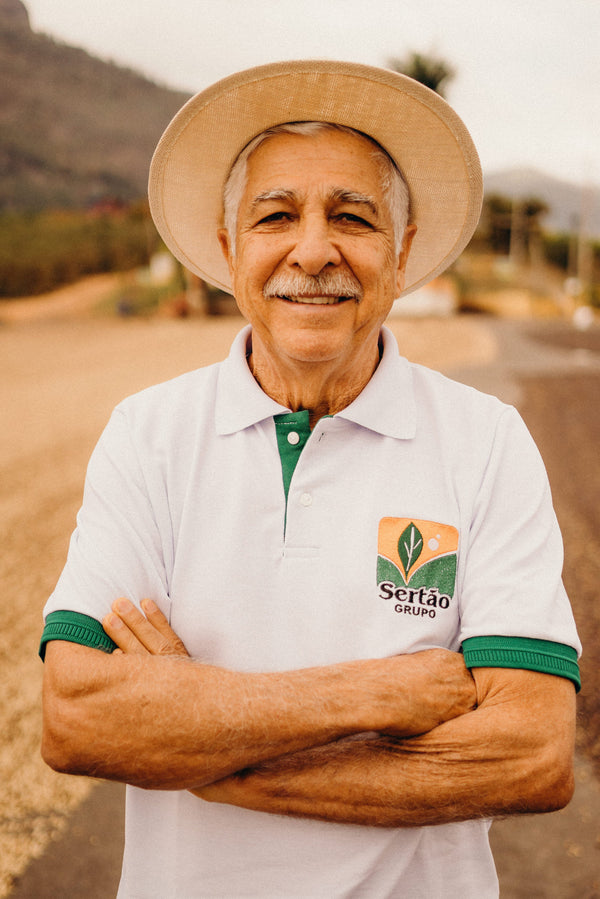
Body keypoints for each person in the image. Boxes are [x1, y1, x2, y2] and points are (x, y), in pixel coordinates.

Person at [40, 60, 581, 898]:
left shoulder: (486, 442)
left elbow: (531, 753)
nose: (315, 248)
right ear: (230, 250)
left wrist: (211, 755)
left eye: (353, 217)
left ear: (399, 255)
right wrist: (375, 691)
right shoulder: (148, 436)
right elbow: (77, 714)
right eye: (277, 215)